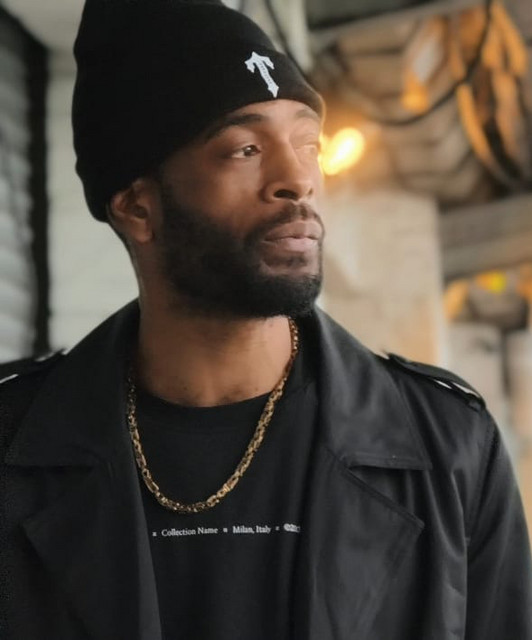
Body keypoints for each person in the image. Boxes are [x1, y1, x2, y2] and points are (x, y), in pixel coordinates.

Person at [1, 0, 531, 638]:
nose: (298, 179)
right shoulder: (12, 444)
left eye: (308, 144)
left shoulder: (447, 445)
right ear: (138, 207)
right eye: (245, 148)